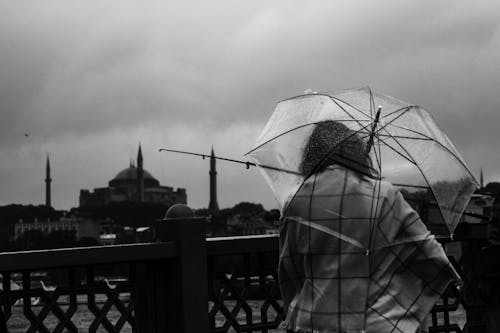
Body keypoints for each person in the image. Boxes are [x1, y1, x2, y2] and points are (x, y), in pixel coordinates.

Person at [278, 121, 460, 333]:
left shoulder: (296, 201)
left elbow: (289, 273)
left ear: (311, 155)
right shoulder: (384, 194)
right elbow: (432, 256)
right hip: (376, 324)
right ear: (356, 151)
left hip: (314, 324)